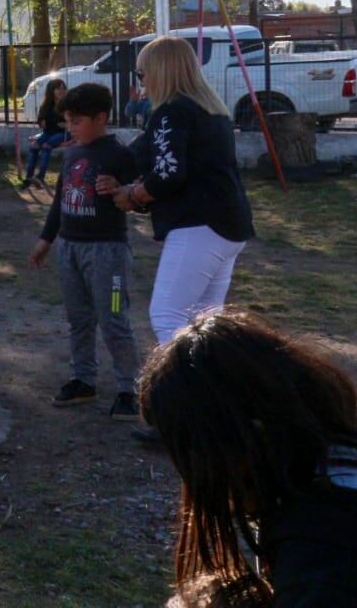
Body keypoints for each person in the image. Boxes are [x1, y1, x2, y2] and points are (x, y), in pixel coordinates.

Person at [141, 310, 357, 607]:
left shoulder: (325, 559)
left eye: (192, 458)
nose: (189, 479)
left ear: (250, 439)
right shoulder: (346, 468)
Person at [100, 35, 254, 444]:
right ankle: (218, 412)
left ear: (161, 71)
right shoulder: (210, 110)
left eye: (141, 73)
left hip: (198, 226)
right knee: (204, 326)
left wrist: (131, 196)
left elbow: (168, 173)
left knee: (168, 318)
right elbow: (150, 156)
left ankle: (184, 417)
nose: (140, 82)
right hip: (227, 226)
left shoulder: (171, 112)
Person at [27, 83, 142, 421]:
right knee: (79, 319)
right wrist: (46, 241)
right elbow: (60, 202)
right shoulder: (73, 153)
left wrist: (123, 190)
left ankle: (129, 389)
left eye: (77, 121)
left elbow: (142, 197)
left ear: (101, 118)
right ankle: (83, 379)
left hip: (108, 255)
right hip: (70, 251)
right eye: (68, 121)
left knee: (114, 318)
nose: (71, 128)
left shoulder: (120, 155)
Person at [22, 78, 68, 187]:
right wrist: (44, 122)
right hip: (48, 133)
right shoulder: (46, 105)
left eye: (63, 88)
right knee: (34, 147)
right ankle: (29, 178)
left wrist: (63, 124)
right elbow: (42, 121)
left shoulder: (67, 104)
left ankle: (40, 177)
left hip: (63, 134)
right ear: (51, 90)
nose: (61, 91)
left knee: (46, 146)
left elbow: (67, 123)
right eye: (58, 88)